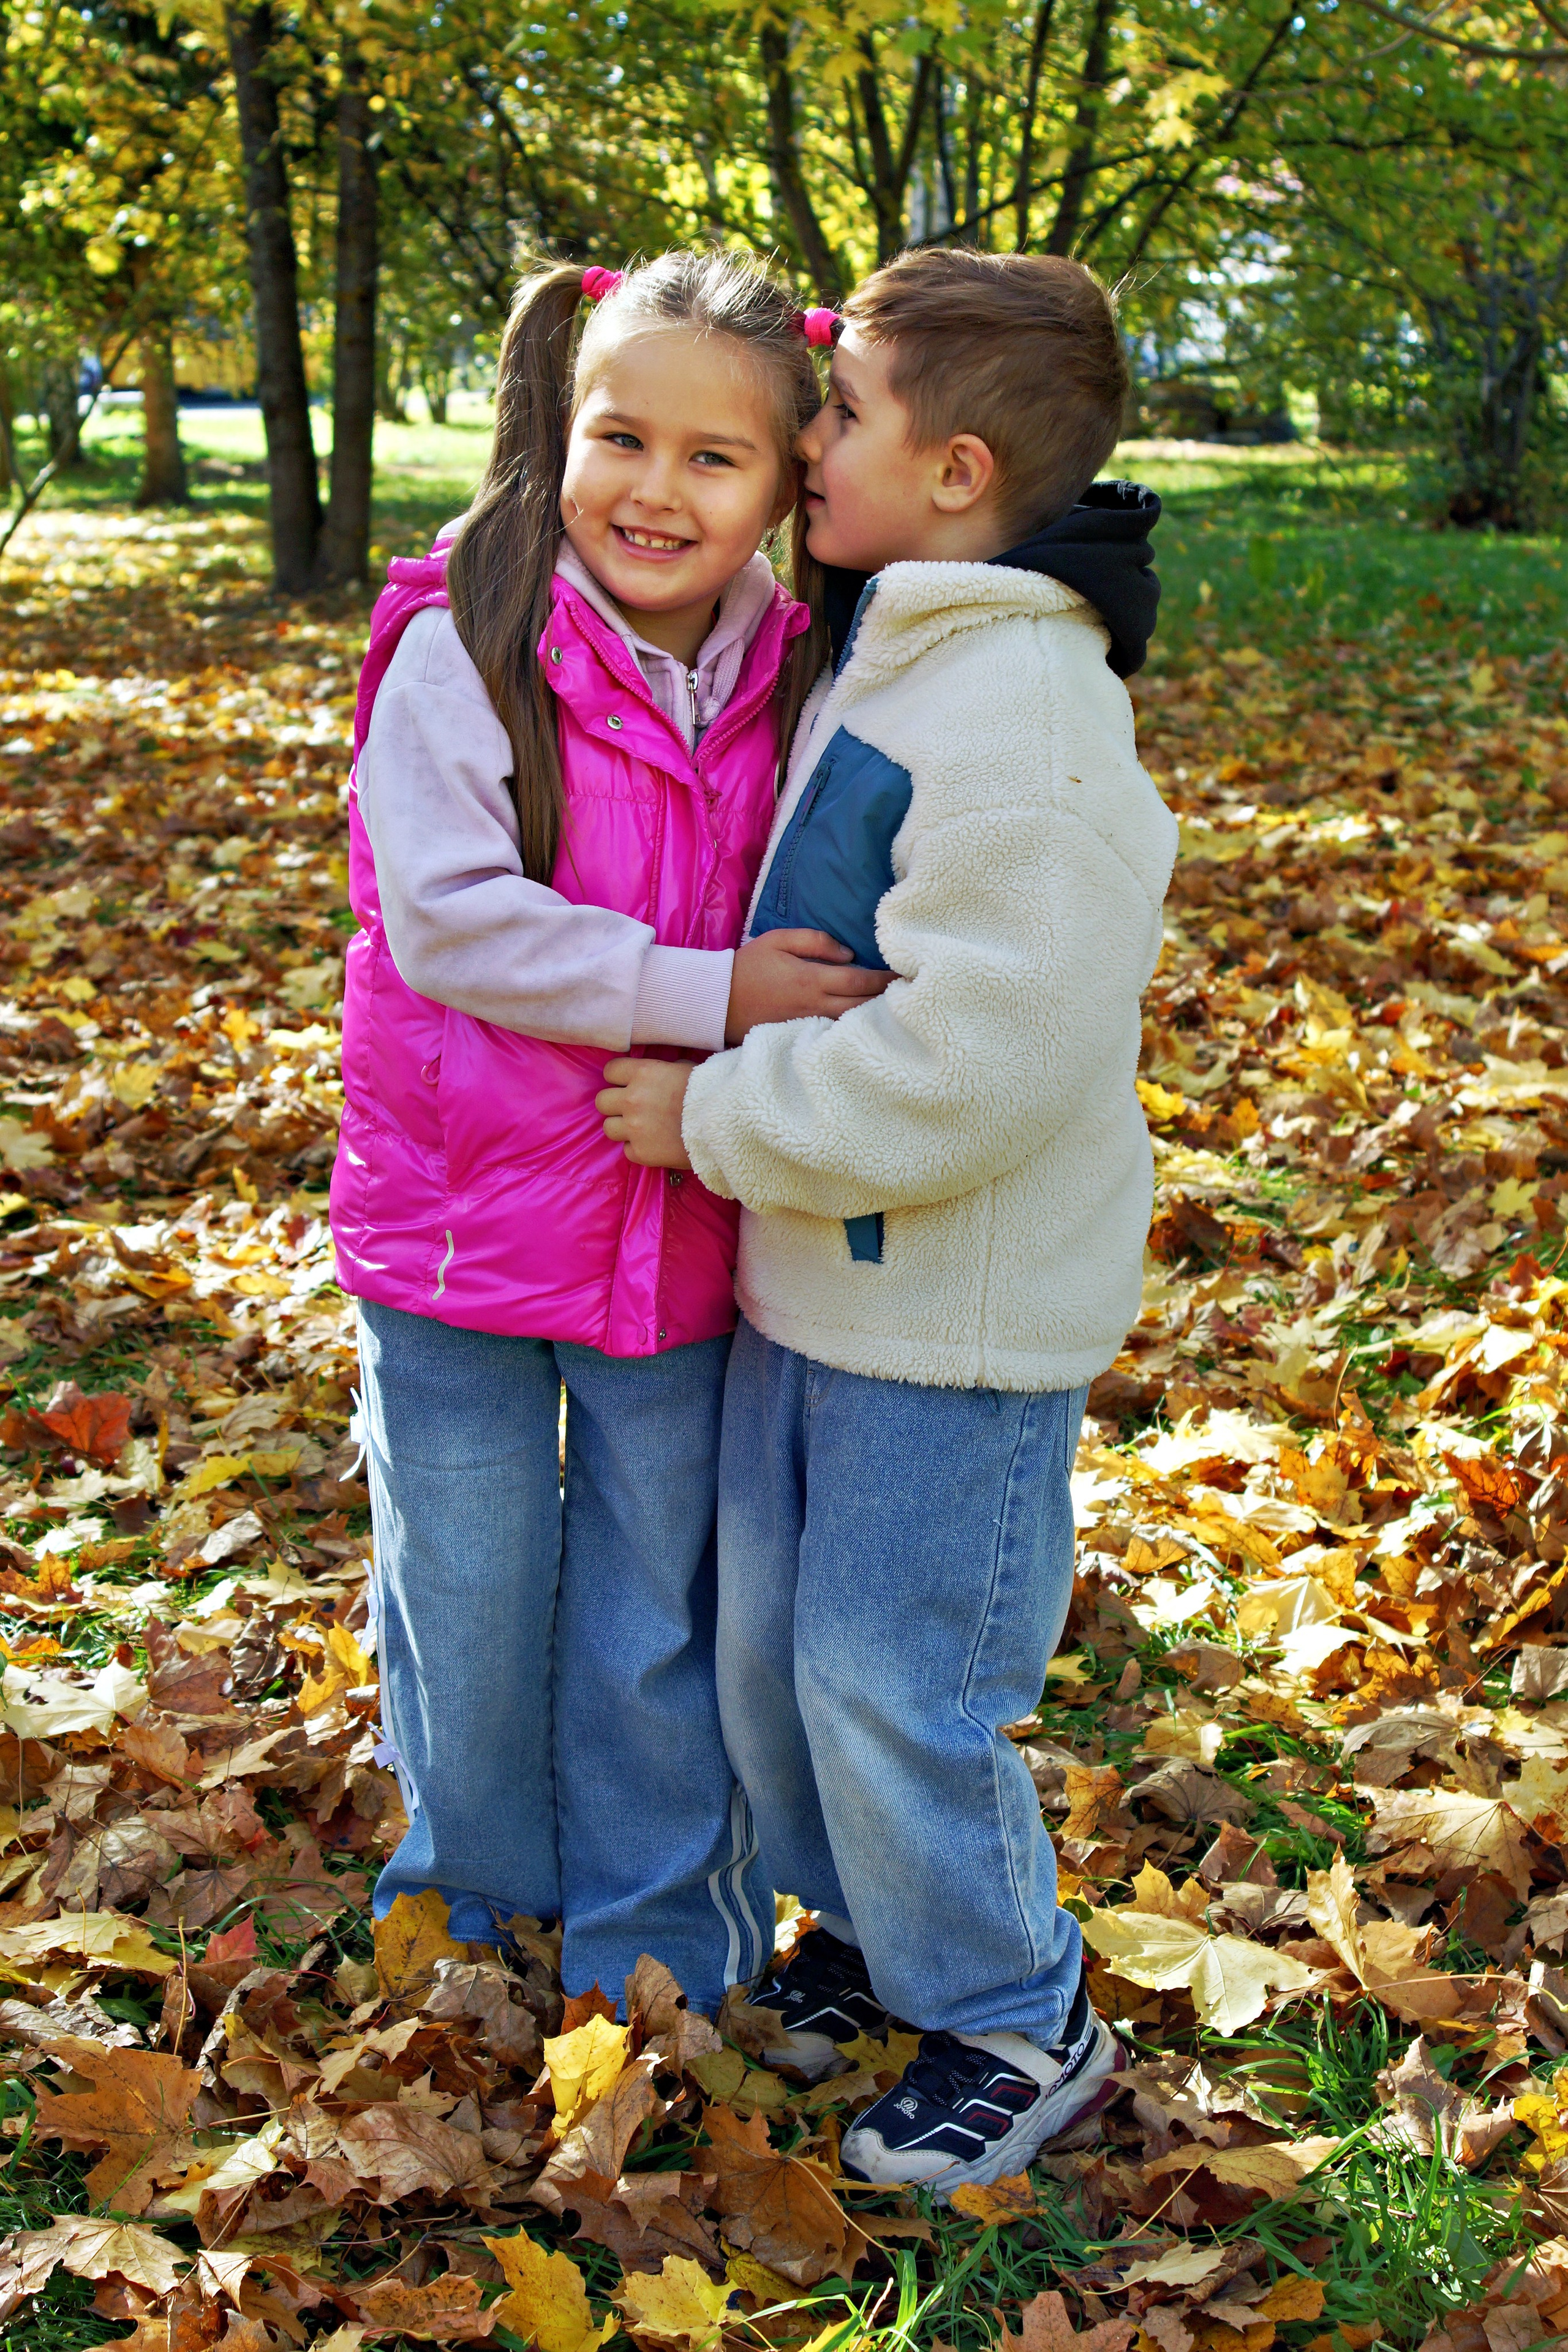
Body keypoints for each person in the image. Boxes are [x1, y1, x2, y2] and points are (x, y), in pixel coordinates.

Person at [595, 247, 1178, 2190]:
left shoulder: (1025, 720)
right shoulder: (899, 643)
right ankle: (869, 1931)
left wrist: (722, 1115)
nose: (808, 437)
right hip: (818, 1290)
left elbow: (985, 1058)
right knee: (774, 1652)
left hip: (952, 1322)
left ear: (950, 472)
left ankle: (1019, 2007)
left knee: (894, 1668)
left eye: (838, 412)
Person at [331, 249, 890, 2016]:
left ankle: (662, 1943)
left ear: (787, 487)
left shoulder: (805, 674)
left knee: (662, 1615)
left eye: (715, 459)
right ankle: (473, 1907)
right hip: (457, 1227)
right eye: (620, 436)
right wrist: (710, 992)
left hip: (680, 1221)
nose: (657, 489)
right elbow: (453, 924)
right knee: (472, 1591)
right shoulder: (468, 640)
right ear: (559, 426)